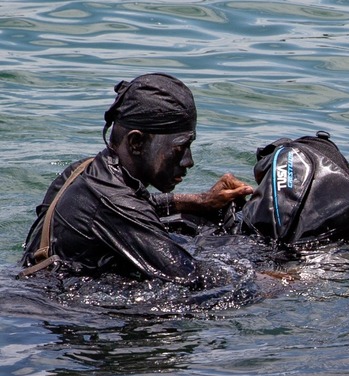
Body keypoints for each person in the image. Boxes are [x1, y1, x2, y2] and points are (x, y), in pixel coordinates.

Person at [18, 73, 252, 285]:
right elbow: (188, 275)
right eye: (180, 148)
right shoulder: (111, 200)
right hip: (48, 309)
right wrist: (264, 281)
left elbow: (140, 205)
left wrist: (201, 201)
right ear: (136, 143)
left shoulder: (83, 171)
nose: (188, 161)